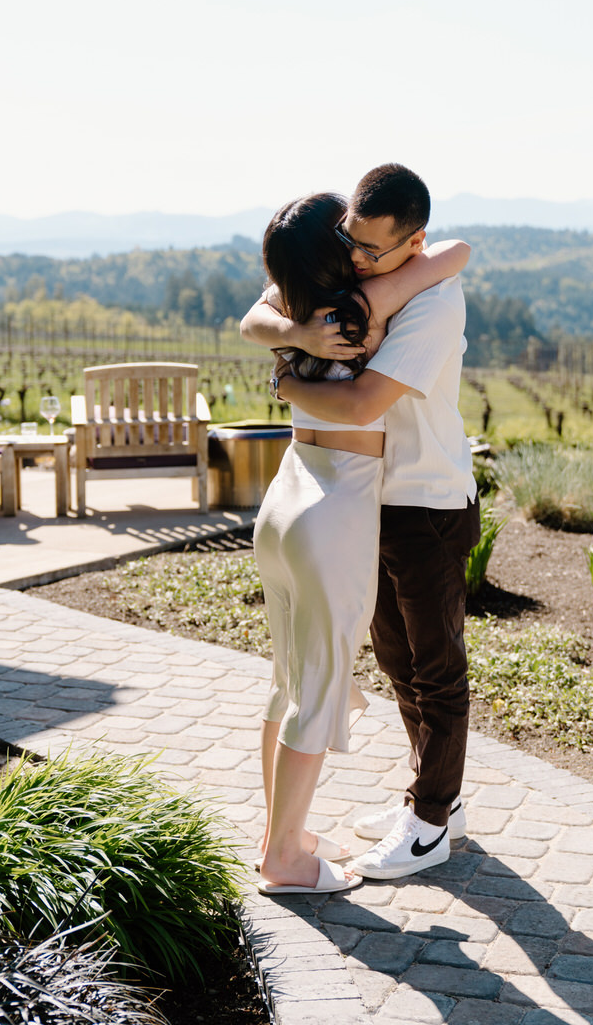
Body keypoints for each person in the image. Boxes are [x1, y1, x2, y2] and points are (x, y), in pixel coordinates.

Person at [242, 163, 479, 882]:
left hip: (426, 499)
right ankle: (432, 797)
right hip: (366, 501)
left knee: (434, 670)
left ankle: (431, 818)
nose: (358, 259)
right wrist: (299, 338)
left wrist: (288, 374)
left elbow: (362, 403)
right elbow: (255, 315)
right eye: (351, 243)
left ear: (413, 242)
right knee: (399, 663)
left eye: (373, 251)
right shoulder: (339, 291)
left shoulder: (430, 298)